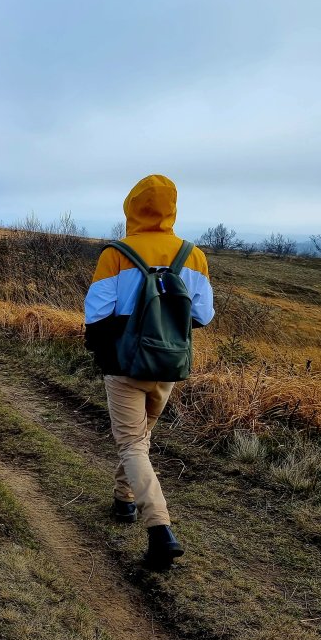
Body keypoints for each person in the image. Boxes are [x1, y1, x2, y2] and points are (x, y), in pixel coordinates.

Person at [83, 175, 214, 569]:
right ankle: (124, 501)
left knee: (131, 444)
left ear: (132, 207)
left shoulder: (116, 253)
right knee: (140, 438)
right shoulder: (193, 255)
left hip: (125, 364)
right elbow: (203, 315)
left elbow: (96, 313)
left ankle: (160, 530)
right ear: (171, 208)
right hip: (169, 364)